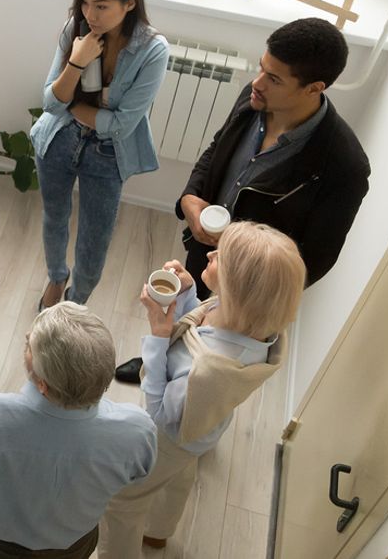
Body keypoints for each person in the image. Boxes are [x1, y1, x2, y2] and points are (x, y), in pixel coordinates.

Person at [115, 17, 370, 384]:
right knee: (184, 318)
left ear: (314, 88)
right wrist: (190, 198)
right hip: (205, 250)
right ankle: (156, 364)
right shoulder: (253, 100)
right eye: (261, 68)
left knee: (208, 371)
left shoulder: (343, 167)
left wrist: (242, 271)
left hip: (246, 291)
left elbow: (315, 259)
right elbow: (216, 150)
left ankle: (182, 386)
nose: (258, 82)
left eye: (274, 78)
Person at [97, 222, 306, 557]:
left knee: (122, 502)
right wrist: (186, 294)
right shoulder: (252, 326)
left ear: (238, 289)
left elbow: (161, 414)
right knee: (180, 476)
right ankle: (159, 531)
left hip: (167, 437)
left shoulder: (210, 370)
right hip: (200, 428)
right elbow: (200, 325)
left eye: (221, 257)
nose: (210, 253)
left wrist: (158, 335)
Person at [0, 302, 157, 559]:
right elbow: (138, 476)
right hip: (73, 546)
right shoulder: (137, 430)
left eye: (31, 344)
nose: (27, 338)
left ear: (42, 384)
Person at [32, 0, 169, 311]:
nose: (90, 15)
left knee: (95, 240)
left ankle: (74, 303)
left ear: (130, 3)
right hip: (59, 139)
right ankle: (57, 276)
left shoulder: (152, 51)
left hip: (108, 154)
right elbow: (49, 101)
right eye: (86, 3)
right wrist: (78, 61)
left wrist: (73, 105)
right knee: (54, 217)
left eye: (102, 6)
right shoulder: (74, 30)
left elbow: (122, 125)